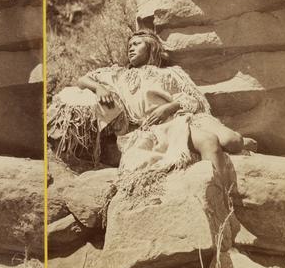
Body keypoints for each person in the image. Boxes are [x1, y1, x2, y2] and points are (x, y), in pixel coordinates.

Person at [75, 29, 243, 181]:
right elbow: (82, 80)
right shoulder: (119, 75)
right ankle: (222, 198)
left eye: (136, 44)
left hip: (185, 114)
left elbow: (196, 99)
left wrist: (169, 107)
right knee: (209, 141)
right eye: (129, 46)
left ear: (151, 47)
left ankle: (240, 145)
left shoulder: (171, 72)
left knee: (233, 140)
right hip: (159, 127)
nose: (130, 49)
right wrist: (99, 88)